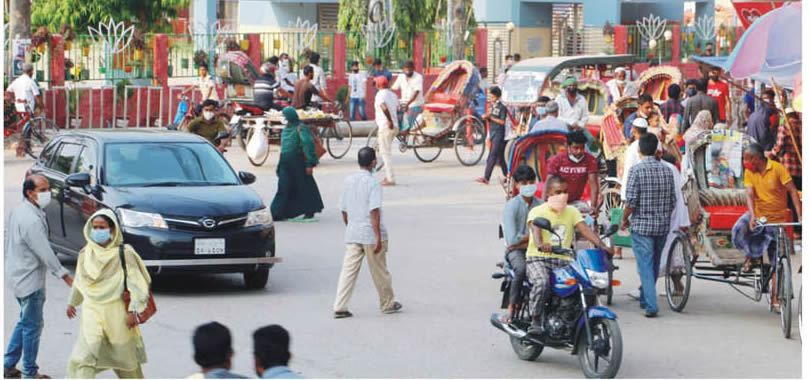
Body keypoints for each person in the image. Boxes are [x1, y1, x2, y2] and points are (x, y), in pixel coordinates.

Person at [65, 210, 151, 378]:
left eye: (101, 227)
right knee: (85, 357)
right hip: (92, 311)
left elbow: (138, 285)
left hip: (117, 313)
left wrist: (134, 310)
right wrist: (72, 303)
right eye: (94, 227)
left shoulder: (124, 254)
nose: (97, 231)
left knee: (125, 360)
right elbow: (80, 281)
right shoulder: (86, 254)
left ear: (112, 230)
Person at [4, 175, 74, 379]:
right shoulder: (30, 219)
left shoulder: (21, 211)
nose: (47, 193)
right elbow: (45, 251)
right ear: (29, 193)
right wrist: (66, 276)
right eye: (42, 189)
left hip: (17, 275)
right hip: (29, 280)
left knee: (25, 322)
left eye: (48, 188)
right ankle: (30, 372)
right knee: (32, 327)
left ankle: (7, 364)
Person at [525, 175, 613, 334]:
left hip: (564, 259)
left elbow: (584, 229)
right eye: (558, 192)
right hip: (539, 259)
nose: (562, 195)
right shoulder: (537, 211)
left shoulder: (572, 211)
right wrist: (540, 244)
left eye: (565, 192)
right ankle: (535, 319)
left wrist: (601, 245)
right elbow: (535, 228)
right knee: (542, 282)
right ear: (548, 195)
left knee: (584, 283)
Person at [334, 147, 402, 318]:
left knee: (348, 272)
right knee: (379, 271)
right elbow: (374, 211)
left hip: (353, 233)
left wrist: (349, 226)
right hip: (370, 234)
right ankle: (387, 303)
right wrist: (378, 237)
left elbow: (343, 209)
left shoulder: (348, 181)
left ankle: (340, 306)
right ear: (373, 163)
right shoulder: (373, 183)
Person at [621, 134, 676, 317]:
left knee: (645, 265)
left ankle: (651, 305)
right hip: (662, 225)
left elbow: (631, 201)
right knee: (653, 264)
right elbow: (672, 200)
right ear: (656, 150)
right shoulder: (667, 170)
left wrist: (624, 219)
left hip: (642, 226)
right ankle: (645, 297)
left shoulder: (636, 171)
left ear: (639, 150)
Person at [733, 143, 801, 284]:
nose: (745, 163)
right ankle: (751, 255)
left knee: (777, 259)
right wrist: (752, 216)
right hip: (758, 215)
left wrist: (800, 216)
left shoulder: (778, 169)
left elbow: (793, 191)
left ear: (757, 159)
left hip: (777, 219)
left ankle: (777, 298)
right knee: (739, 228)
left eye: (747, 159)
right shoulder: (749, 172)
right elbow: (750, 195)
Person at [500, 165, 542, 323]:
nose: (527, 186)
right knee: (521, 269)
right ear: (517, 185)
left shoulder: (541, 204)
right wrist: (534, 236)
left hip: (537, 249)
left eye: (530, 182)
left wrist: (529, 239)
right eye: (523, 183)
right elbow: (512, 242)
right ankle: (511, 308)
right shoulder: (511, 206)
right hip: (517, 252)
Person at [270, 107, 324, 222]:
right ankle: (277, 213)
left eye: (285, 117)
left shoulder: (301, 128)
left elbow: (308, 146)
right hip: (285, 162)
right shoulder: (285, 130)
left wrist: (310, 164)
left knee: (304, 186)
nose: (283, 119)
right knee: (283, 187)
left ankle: (309, 211)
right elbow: (283, 149)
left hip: (298, 161)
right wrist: (279, 167)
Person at [546, 130, 599, 214]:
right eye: (576, 148)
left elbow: (593, 184)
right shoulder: (557, 160)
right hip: (557, 201)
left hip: (576, 202)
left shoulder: (590, 160)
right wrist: (544, 203)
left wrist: (593, 206)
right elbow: (548, 183)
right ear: (567, 146)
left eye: (582, 148)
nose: (579, 151)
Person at [767, 109, 802, 226]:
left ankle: (792, 225)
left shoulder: (786, 126)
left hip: (788, 168)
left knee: (789, 199)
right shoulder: (802, 126)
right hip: (800, 168)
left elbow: (779, 145)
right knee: (798, 198)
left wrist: (770, 155)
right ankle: (799, 225)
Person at [477, 86, 508, 185]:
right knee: (501, 158)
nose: (492, 98)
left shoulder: (502, 108)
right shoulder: (491, 106)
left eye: (493, 96)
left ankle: (486, 177)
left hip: (499, 133)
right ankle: (508, 175)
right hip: (492, 133)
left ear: (497, 96)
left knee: (492, 156)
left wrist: (491, 118)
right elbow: (490, 116)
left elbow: (502, 122)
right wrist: (486, 117)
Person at [373, 76, 400, 187]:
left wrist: (389, 120)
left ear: (379, 85)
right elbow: (398, 109)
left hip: (386, 126)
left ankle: (390, 178)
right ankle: (387, 175)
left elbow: (383, 107)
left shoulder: (380, 95)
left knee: (385, 153)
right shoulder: (393, 95)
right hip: (394, 126)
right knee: (385, 151)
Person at [620, 118, 649, 201]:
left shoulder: (633, 147)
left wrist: (624, 195)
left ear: (634, 130)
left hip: (638, 188)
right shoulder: (653, 143)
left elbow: (628, 171)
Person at [391, 60, 424, 133]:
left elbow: (416, 93)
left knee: (407, 122)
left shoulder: (418, 77)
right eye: (406, 70)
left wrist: (407, 104)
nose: (408, 71)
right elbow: (393, 88)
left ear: (413, 69)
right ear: (403, 69)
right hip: (403, 102)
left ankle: (404, 140)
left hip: (415, 104)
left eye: (409, 70)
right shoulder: (401, 77)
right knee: (394, 116)